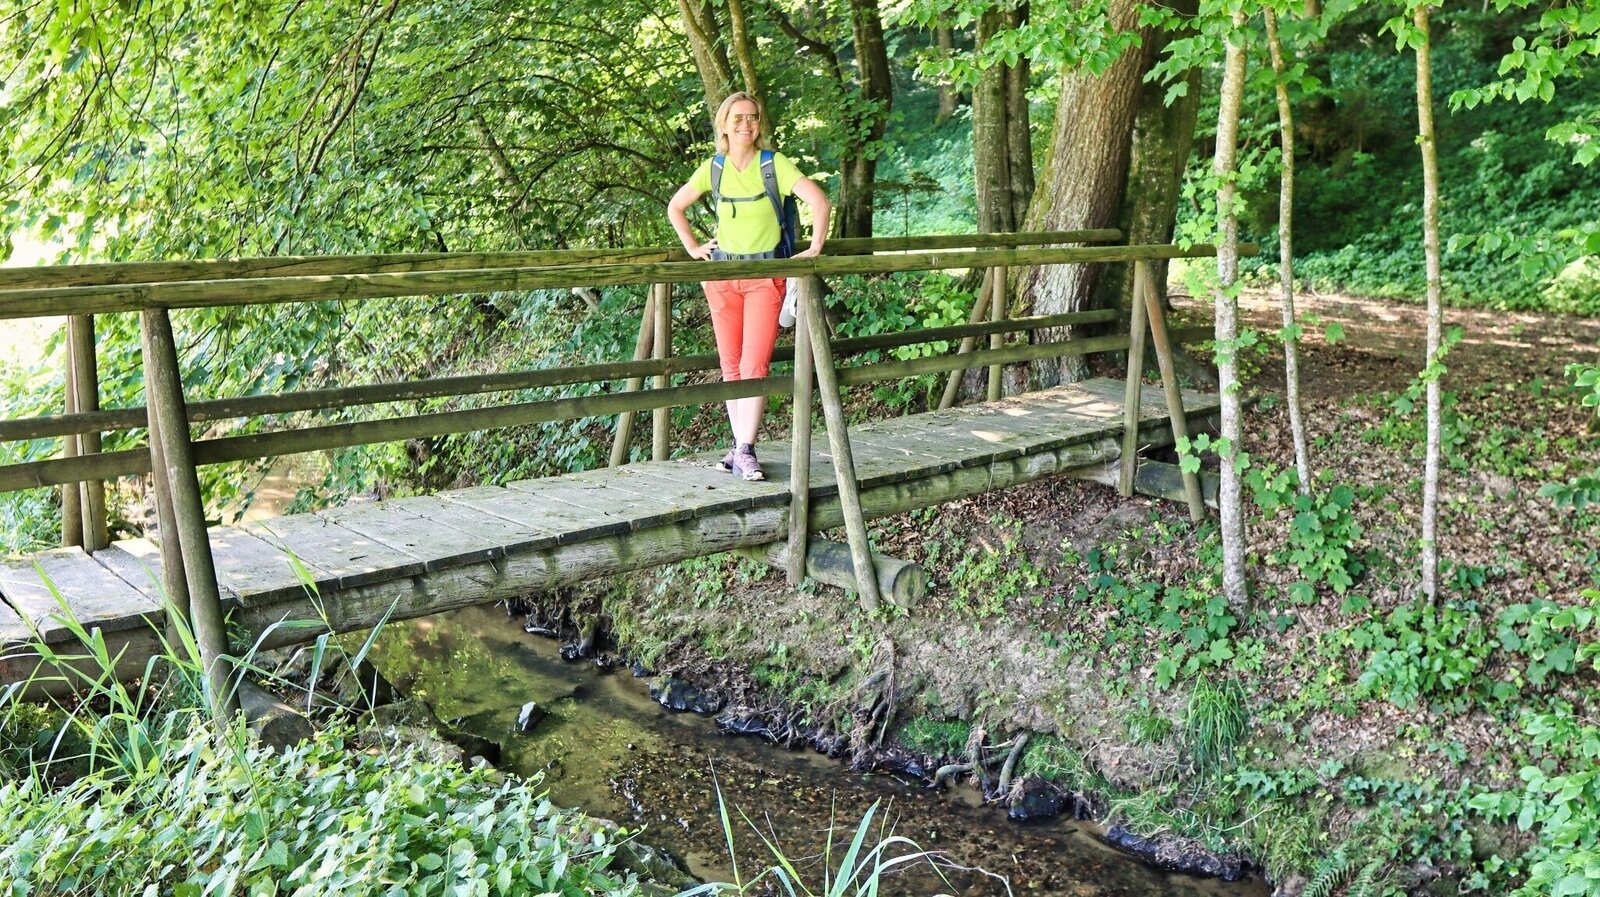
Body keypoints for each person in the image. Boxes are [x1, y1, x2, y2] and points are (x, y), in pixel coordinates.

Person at [667, 92, 831, 481]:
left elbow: (820, 202)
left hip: (765, 277)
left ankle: (744, 448)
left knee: (753, 364)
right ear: (723, 124)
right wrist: (693, 247)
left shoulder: (773, 164)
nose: (746, 124)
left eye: (752, 117)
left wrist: (815, 248)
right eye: (738, 118)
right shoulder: (713, 168)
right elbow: (675, 207)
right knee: (730, 363)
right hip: (721, 277)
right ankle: (740, 445)